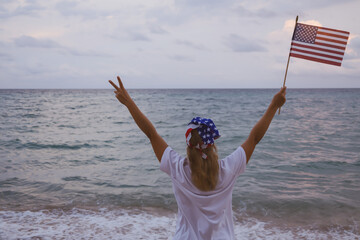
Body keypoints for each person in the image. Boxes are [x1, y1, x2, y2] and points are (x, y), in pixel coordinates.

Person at [109, 76, 287, 239]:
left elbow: (151, 133)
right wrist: (273, 106)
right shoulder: (228, 169)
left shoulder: (177, 168)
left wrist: (129, 103)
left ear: (188, 145)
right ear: (213, 144)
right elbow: (254, 138)